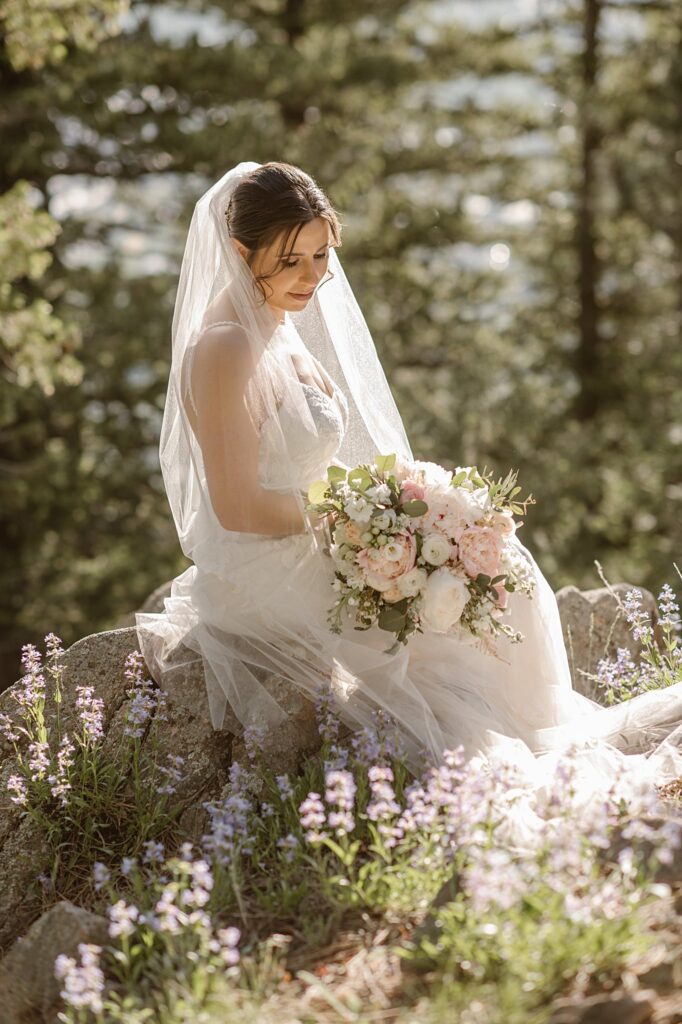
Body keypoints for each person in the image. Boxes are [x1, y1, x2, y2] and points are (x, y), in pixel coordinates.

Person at [136, 161, 682, 847]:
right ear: (240, 251)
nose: (309, 276)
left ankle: (546, 733)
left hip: (313, 535)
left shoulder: (277, 325)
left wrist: (403, 505)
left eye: (320, 256)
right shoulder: (224, 348)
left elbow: (309, 461)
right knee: (436, 625)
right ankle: (532, 762)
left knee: (491, 565)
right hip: (260, 572)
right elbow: (239, 505)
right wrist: (345, 523)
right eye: (290, 260)